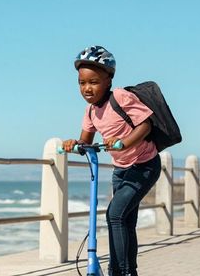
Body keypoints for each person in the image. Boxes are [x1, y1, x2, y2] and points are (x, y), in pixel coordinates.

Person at [62, 45, 161, 276]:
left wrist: (124, 142)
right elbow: (85, 142)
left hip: (145, 164)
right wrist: (73, 145)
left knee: (114, 215)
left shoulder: (120, 97)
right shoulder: (90, 112)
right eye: (82, 83)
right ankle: (128, 271)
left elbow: (145, 125)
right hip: (121, 170)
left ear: (108, 80)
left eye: (94, 82)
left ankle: (120, 271)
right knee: (125, 221)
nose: (87, 88)